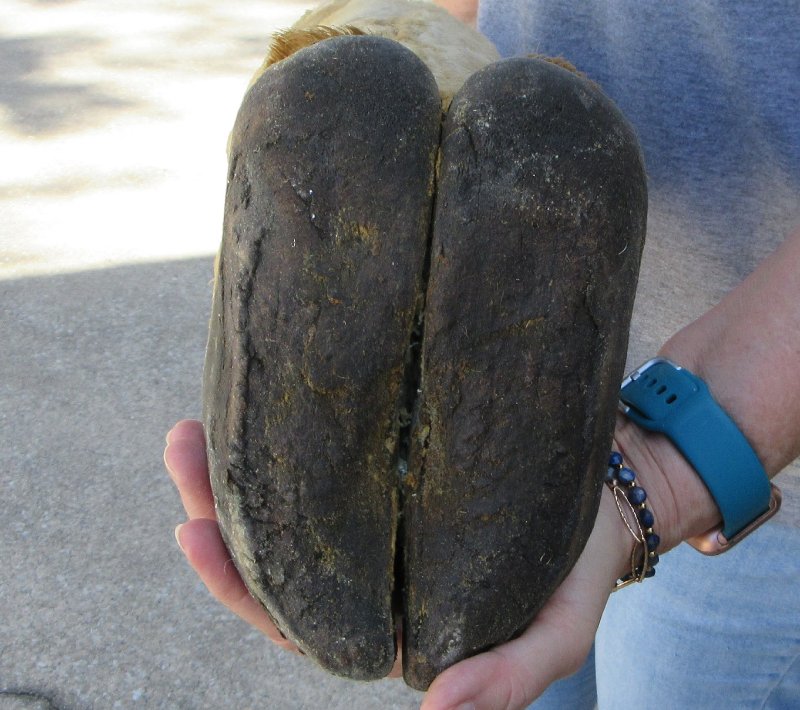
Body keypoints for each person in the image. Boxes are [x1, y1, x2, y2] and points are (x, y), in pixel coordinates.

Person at [164, 1, 800, 707]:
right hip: (538, 360)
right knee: (489, 650)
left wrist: (670, 470)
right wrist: (418, 40)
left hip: (753, 464)